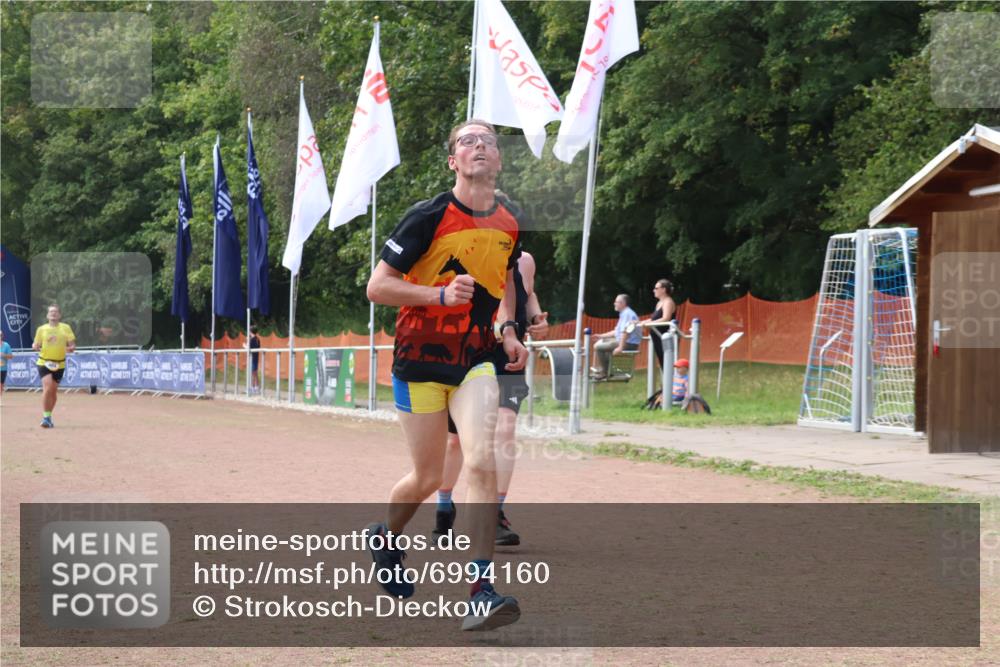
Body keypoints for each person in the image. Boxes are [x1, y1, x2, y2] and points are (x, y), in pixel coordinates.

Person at [365, 119, 527, 632]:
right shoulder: (427, 217)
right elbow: (377, 287)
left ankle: (480, 591)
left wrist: (506, 328)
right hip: (419, 362)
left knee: (481, 460)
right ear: (453, 161)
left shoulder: (508, 221)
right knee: (429, 476)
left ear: (499, 160)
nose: (479, 147)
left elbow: (500, 283)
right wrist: (436, 295)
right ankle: (385, 536)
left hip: (475, 359)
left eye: (488, 142)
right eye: (467, 142)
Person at [433, 248, 549, 548]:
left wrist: (536, 316)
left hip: (509, 356)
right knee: (455, 441)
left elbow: (528, 293)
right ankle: (444, 506)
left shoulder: (526, 260)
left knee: (505, 427)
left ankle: (494, 513)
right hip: (469, 354)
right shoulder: (467, 250)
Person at [32, 304, 76, 428]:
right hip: (44, 362)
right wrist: (35, 346)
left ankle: (49, 416)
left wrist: (66, 348)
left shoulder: (65, 328)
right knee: (47, 387)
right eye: (51, 312)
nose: (53, 313)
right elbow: (36, 345)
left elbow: (73, 346)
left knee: (53, 392)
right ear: (47, 315)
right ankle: (46, 418)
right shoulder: (42, 329)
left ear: (59, 315)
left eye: (56, 312)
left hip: (59, 363)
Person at [591, 294, 640, 380]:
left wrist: (620, 347)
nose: (614, 304)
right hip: (625, 341)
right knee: (602, 343)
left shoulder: (627, 314)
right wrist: (601, 336)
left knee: (599, 348)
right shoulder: (624, 314)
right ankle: (607, 369)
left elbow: (626, 331)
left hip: (628, 343)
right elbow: (617, 332)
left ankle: (605, 372)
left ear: (623, 303)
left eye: (616, 302)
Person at [638, 279, 677, 369]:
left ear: (663, 289)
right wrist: (640, 322)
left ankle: (671, 382)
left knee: (667, 362)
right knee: (662, 361)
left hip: (665, 336)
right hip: (657, 336)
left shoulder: (668, 302)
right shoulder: (659, 303)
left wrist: (648, 324)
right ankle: (667, 382)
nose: (653, 290)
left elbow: (665, 318)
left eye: (656, 288)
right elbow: (653, 319)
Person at [249, 326, 261, 394]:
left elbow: (249, 348)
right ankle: (256, 387)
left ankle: (254, 387)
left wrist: (245, 346)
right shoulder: (257, 339)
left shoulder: (253, 339)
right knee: (254, 373)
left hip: (253, 358)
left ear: (251, 331)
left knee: (253, 373)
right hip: (256, 357)